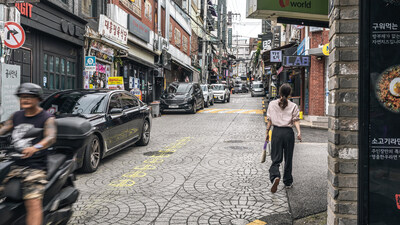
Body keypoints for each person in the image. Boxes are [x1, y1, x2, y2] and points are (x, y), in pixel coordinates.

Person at [0, 83, 56, 225]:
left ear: (38, 99)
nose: (25, 100)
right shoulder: (16, 116)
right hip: (14, 164)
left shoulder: (46, 118)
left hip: (35, 167)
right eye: (22, 97)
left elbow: (50, 137)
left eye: (29, 97)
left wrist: (35, 147)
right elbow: (4, 128)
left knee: (32, 202)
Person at [266, 83, 301, 193]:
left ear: (279, 92)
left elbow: (269, 120)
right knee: (288, 158)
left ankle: (275, 176)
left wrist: (267, 133)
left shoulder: (272, 104)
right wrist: (299, 132)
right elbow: (296, 120)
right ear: (289, 94)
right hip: (288, 133)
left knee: (276, 158)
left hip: (276, 132)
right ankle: (288, 181)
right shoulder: (293, 106)